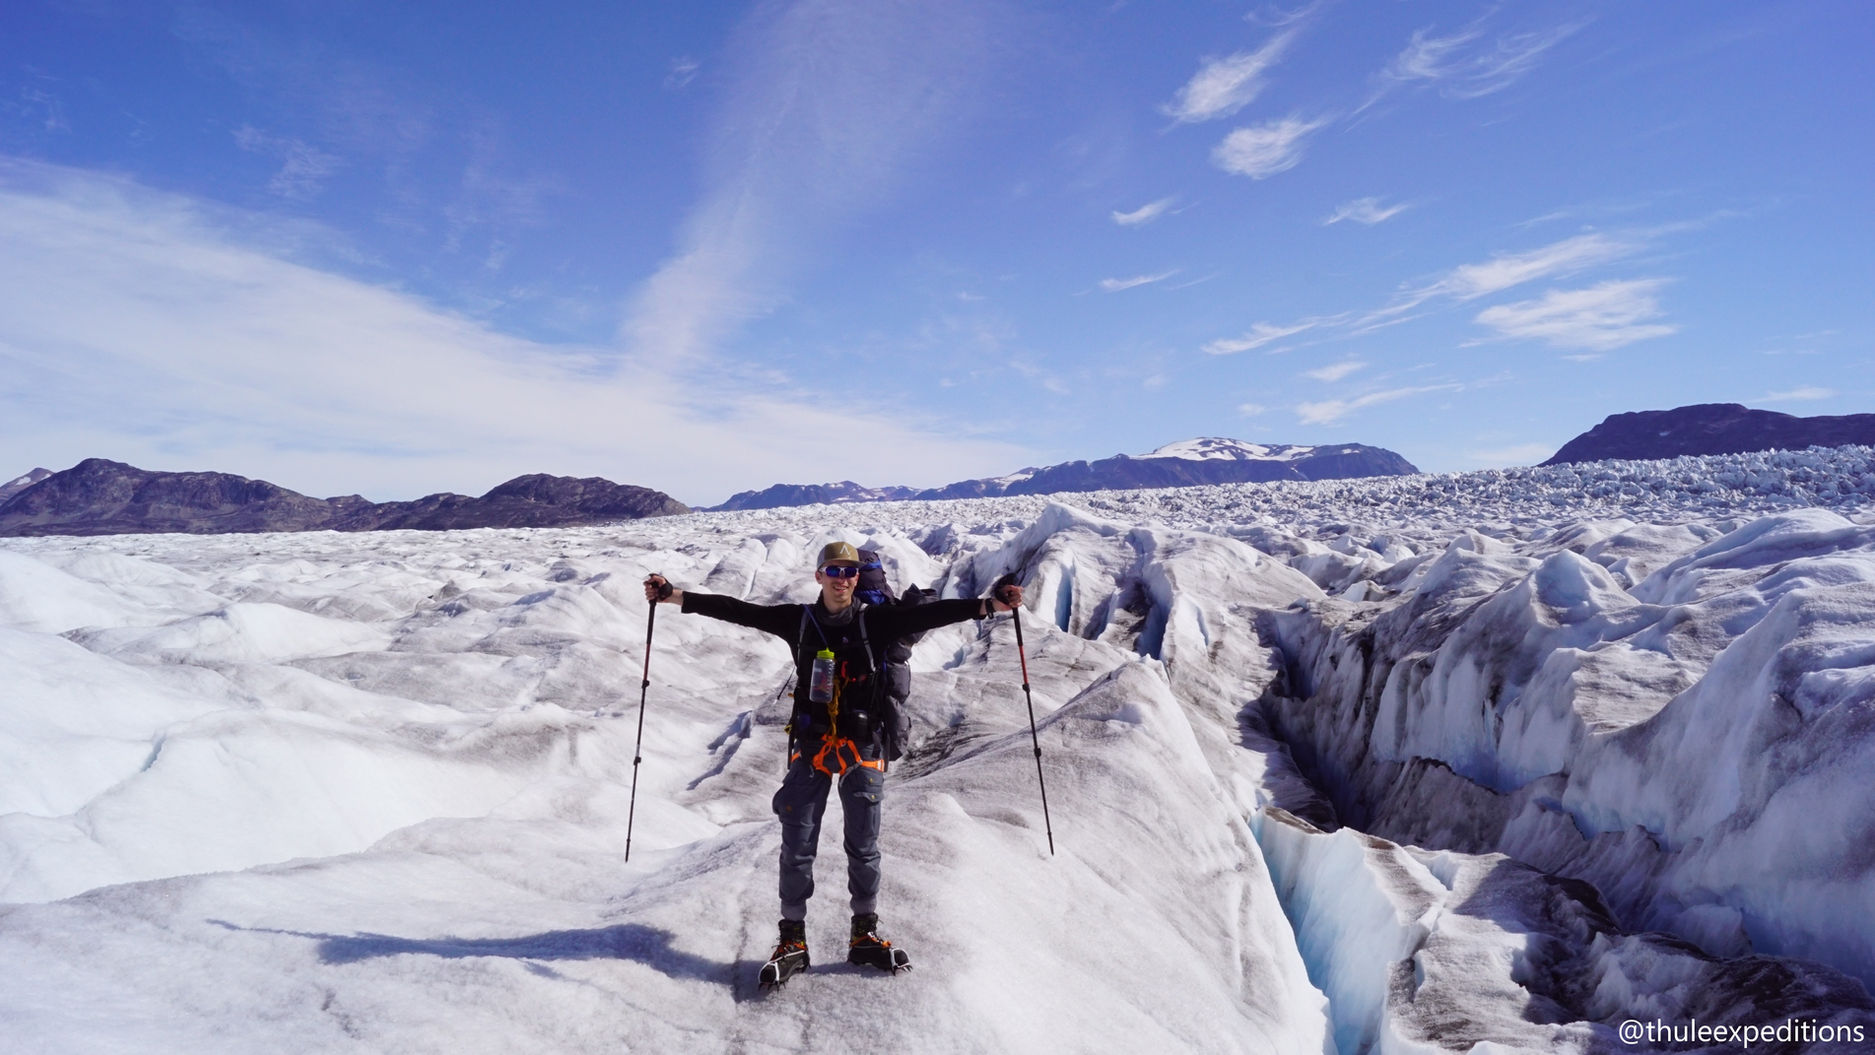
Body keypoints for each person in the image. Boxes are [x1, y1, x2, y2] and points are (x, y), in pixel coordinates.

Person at [643, 541, 1022, 984]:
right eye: (834, 571)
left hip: (864, 745)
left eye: (849, 572)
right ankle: (792, 940)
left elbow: (929, 615)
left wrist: (988, 605)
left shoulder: (875, 621)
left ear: (857, 578)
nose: (842, 579)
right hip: (812, 744)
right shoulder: (797, 621)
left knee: (864, 844)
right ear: (819, 576)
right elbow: (739, 609)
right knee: (797, 843)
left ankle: (864, 934)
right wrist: (675, 596)